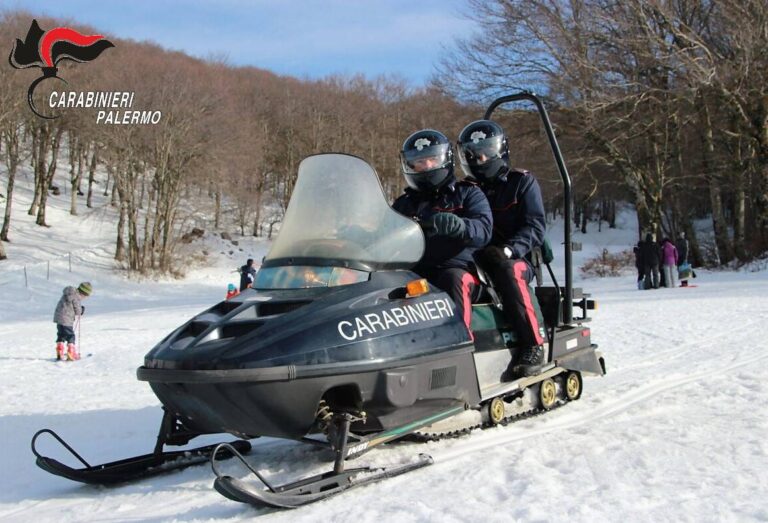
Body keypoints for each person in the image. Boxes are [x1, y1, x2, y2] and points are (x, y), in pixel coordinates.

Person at [456, 120, 547, 379]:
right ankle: (459, 346)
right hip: (476, 258)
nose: (480, 158)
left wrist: (509, 250)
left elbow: (535, 226)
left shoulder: (521, 183)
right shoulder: (465, 190)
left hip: (516, 257)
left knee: (509, 271)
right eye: (474, 154)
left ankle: (532, 344)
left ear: (499, 151)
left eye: (486, 151)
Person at [392, 129, 492, 332]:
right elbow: (384, 232)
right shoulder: (403, 203)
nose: (426, 166)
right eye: (419, 161)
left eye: (432, 159)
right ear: (409, 165)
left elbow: (484, 228)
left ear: (444, 160)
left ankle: (460, 342)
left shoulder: (467, 193)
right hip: (414, 270)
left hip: (460, 269)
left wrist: (462, 226)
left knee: (453, 279)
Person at [53, 281, 92, 361]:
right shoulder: (76, 297)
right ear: (83, 293)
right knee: (70, 336)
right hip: (67, 319)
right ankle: (71, 352)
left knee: (61, 334)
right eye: (85, 296)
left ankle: (59, 351)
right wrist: (82, 310)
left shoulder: (67, 293)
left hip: (58, 317)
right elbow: (78, 311)